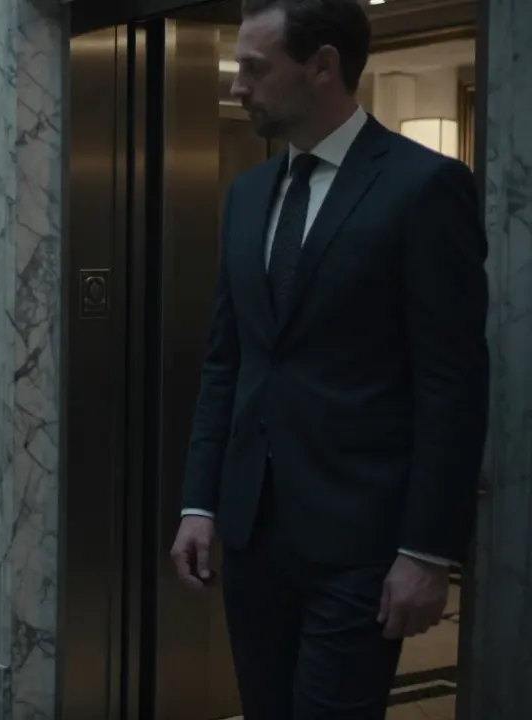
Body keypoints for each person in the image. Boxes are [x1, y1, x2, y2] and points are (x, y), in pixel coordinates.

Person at [169, 0, 489, 717]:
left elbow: (452, 385)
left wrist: (427, 551)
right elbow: (227, 362)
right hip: (252, 535)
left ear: (322, 66)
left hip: (362, 543)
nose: (237, 85)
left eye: (254, 68)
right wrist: (200, 502)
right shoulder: (248, 195)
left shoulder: (423, 187)